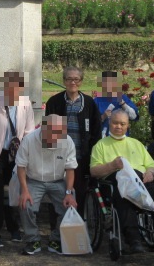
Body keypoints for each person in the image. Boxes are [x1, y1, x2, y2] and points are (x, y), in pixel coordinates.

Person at [90, 109, 154, 255]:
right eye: (115, 123)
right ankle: (133, 238)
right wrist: (112, 165)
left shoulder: (136, 144)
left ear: (128, 125)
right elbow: (94, 171)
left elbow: (150, 164)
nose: (119, 126)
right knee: (123, 196)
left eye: (122, 124)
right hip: (116, 181)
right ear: (109, 123)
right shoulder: (101, 145)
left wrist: (150, 172)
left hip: (141, 180)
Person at [0, 71, 35, 247]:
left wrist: (25, 157)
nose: (12, 90)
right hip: (0, 154)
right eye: (9, 86)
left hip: (18, 154)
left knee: (15, 191)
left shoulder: (25, 104)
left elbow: (29, 133)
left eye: (16, 87)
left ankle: (14, 228)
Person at [45, 66, 102, 223]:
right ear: (64, 81)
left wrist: (91, 155)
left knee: (79, 195)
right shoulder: (54, 102)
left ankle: (77, 226)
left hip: (80, 158)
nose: (72, 82)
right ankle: (56, 229)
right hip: (58, 158)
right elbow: (48, 132)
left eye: (76, 79)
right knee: (56, 195)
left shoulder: (89, 103)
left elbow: (96, 132)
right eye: (69, 79)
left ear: (81, 81)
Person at [16, 114, 78, 255]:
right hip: (34, 179)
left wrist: (69, 192)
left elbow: (70, 169)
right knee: (26, 204)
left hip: (58, 180)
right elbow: (21, 166)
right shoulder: (29, 140)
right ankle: (32, 240)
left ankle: (56, 239)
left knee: (70, 204)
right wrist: (24, 190)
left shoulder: (67, 141)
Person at [94, 71, 139, 137]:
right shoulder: (97, 100)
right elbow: (91, 122)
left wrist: (124, 105)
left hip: (121, 137)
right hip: (103, 137)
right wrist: (103, 117)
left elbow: (133, 117)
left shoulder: (123, 98)